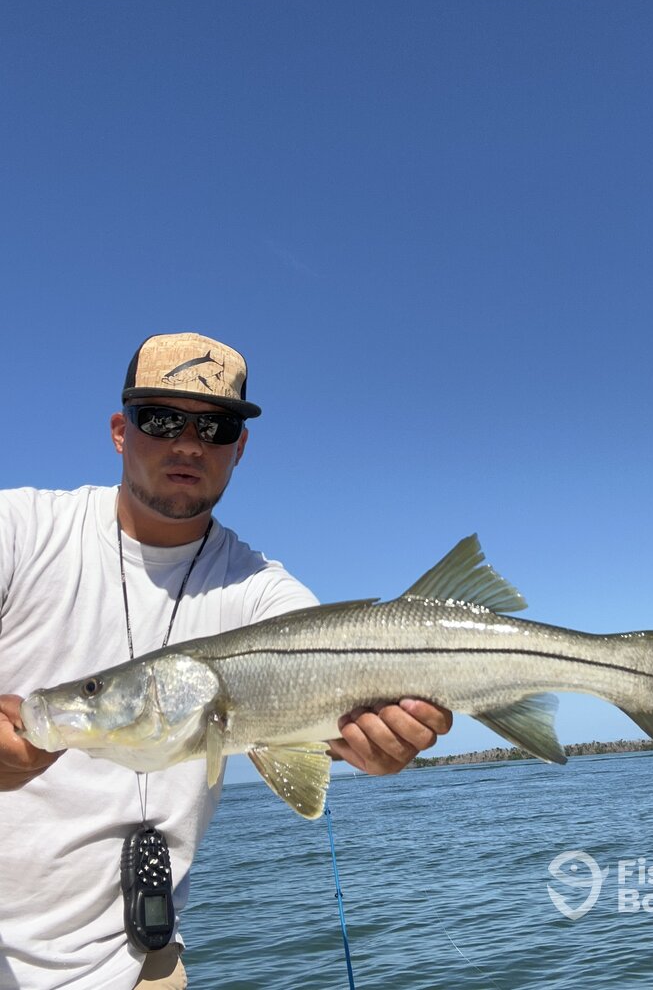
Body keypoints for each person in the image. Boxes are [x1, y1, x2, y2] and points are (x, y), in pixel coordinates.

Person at [0, 332, 452, 990]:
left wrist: (372, 746)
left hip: (140, 964)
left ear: (239, 448)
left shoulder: (266, 594)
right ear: (121, 431)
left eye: (215, 427)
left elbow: (327, 717)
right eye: (162, 419)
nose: (189, 444)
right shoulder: (18, 530)